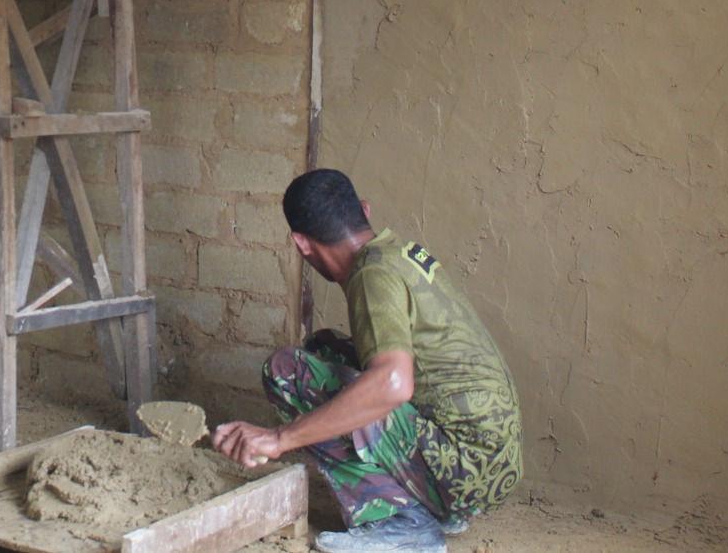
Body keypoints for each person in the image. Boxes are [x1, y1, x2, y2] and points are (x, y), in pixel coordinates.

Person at [213, 169, 522, 553]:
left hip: (467, 469)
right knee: (324, 347)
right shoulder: (396, 253)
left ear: (301, 243)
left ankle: (401, 523)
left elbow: (393, 384)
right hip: (492, 462)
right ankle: (434, 505)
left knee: (287, 371)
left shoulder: (372, 274)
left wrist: (279, 438)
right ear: (364, 210)